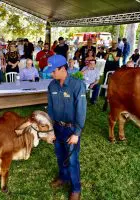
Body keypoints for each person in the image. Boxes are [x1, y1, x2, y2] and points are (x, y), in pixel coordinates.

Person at [46, 54, 87, 200]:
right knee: (59, 155)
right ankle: (63, 177)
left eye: (53, 70)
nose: (51, 73)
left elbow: (81, 111)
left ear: (63, 68)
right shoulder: (52, 85)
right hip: (57, 127)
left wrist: (77, 133)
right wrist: (51, 130)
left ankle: (76, 188)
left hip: (71, 129)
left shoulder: (77, 85)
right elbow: (50, 109)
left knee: (72, 159)